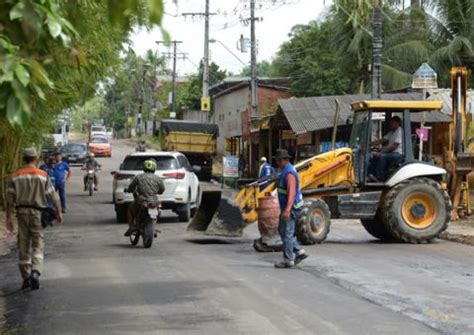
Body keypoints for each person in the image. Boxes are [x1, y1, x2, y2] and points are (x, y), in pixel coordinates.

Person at [5, 148, 63, 290]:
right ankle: (36, 272)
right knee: (38, 244)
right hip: (38, 214)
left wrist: (9, 218)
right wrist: (59, 212)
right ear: (35, 159)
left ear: (23, 159)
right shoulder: (42, 175)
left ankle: (26, 277)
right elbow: (53, 195)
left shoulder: (15, 176)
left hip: (21, 213)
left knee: (23, 244)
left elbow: (9, 200)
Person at [273, 149, 308, 269]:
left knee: (287, 232)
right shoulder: (286, 171)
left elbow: (291, 193)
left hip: (292, 208)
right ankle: (299, 251)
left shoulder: (289, 173)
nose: (277, 163)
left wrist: (287, 210)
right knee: (282, 230)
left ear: (284, 160)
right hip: (288, 207)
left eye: (278, 160)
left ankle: (288, 259)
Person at [124, 159, 165, 237]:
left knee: (130, 210)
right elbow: (162, 190)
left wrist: (128, 190)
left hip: (141, 200)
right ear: (154, 168)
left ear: (144, 168)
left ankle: (131, 227)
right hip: (154, 201)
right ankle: (153, 227)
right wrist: (158, 191)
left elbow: (132, 187)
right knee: (158, 211)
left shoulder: (139, 177)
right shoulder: (158, 178)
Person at [368, 116, 403, 182]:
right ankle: (370, 175)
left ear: (397, 123)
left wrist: (381, 152)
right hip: (392, 152)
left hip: (398, 153)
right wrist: (369, 143)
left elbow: (394, 146)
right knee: (374, 156)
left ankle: (379, 177)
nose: (390, 124)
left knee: (382, 157)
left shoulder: (399, 132)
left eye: (392, 123)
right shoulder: (392, 132)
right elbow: (382, 140)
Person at [39, 157, 57, 227]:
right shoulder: (44, 170)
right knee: (48, 205)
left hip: (52, 189)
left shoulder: (51, 170)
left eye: (54, 164)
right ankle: (46, 220)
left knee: (51, 205)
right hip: (47, 190)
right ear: (48, 163)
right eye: (52, 163)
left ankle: (49, 219)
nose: (53, 165)